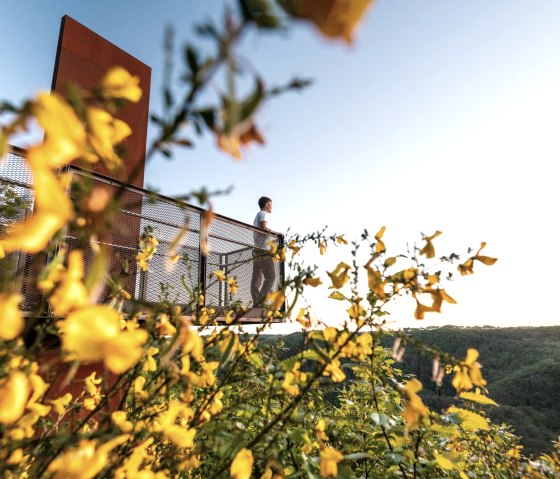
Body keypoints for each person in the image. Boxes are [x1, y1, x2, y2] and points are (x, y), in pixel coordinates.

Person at [251, 196, 276, 307]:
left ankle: (257, 302)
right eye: (271, 204)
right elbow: (264, 227)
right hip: (263, 251)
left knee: (257, 278)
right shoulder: (263, 214)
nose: (272, 207)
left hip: (256, 249)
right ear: (266, 204)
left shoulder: (257, 216)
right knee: (271, 276)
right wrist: (277, 234)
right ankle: (260, 302)